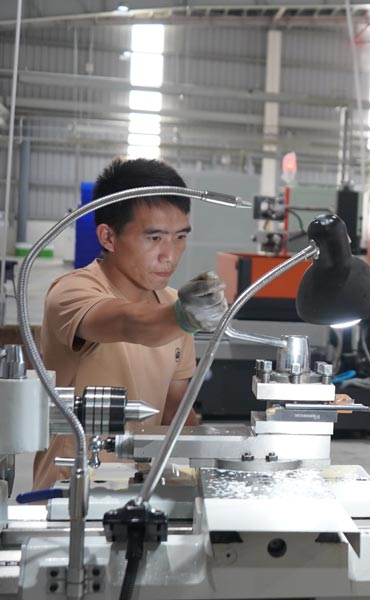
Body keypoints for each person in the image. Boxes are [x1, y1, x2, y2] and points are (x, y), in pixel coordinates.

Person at [32, 158, 228, 490]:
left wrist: (224, 458)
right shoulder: (72, 292)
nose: (171, 254)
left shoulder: (171, 305)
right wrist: (184, 316)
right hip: (69, 492)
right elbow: (127, 323)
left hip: (137, 490)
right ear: (108, 237)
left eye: (180, 236)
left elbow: (175, 410)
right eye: (155, 238)